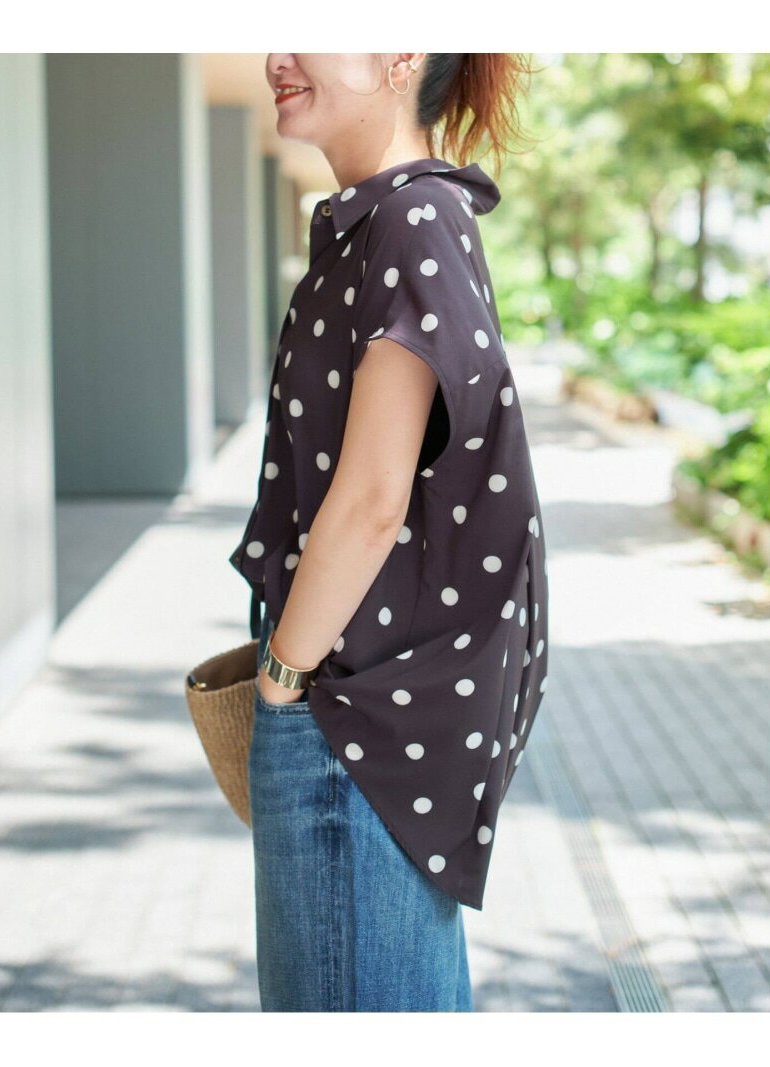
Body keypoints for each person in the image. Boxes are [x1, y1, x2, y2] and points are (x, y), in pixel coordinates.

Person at [229, 53, 549, 1012]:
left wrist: (282, 683)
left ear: (403, 52)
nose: (279, 55)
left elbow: (373, 496)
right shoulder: (386, 221)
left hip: (351, 718)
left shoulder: (411, 218)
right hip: (364, 715)